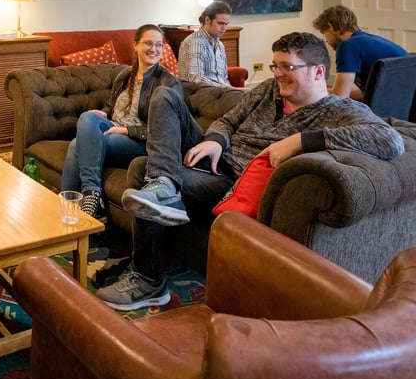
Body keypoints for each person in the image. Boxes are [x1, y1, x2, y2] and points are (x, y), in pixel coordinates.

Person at [95, 31, 404, 311]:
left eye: (287, 67)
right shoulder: (269, 90)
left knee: (140, 166)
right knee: (165, 96)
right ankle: (163, 185)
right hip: (212, 159)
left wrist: (301, 140)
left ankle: (149, 279)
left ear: (319, 71)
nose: (277, 74)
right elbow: (227, 120)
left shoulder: (339, 111)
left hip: (231, 182)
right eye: (275, 66)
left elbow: (389, 140)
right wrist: (216, 140)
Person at [60, 25, 180, 222]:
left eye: (159, 45)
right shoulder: (125, 76)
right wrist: (104, 113)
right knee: (88, 117)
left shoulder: (167, 83)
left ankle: (84, 197)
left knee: (76, 145)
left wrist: (126, 130)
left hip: (140, 141)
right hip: (114, 128)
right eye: (148, 43)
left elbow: (166, 130)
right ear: (136, 45)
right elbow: (111, 106)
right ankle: (81, 209)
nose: (154, 49)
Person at [312, 4, 407, 99]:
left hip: (390, 102)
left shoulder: (347, 45)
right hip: (404, 102)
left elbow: (340, 96)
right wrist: (326, 91)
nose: (326, 40)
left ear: (330, 27)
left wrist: (311, 94)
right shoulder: (370, 40)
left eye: (324, 33)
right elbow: (366, 93)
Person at [177, 1, 233, 87]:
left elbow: (224, 79)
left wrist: (232, 89)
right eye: (220, 23)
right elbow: (196, 79)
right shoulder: (195, 42)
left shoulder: (220, 45)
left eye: (226, 24)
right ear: (207, 20)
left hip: (221, 92)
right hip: (200, 92)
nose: (224, 28)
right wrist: (228, 89)